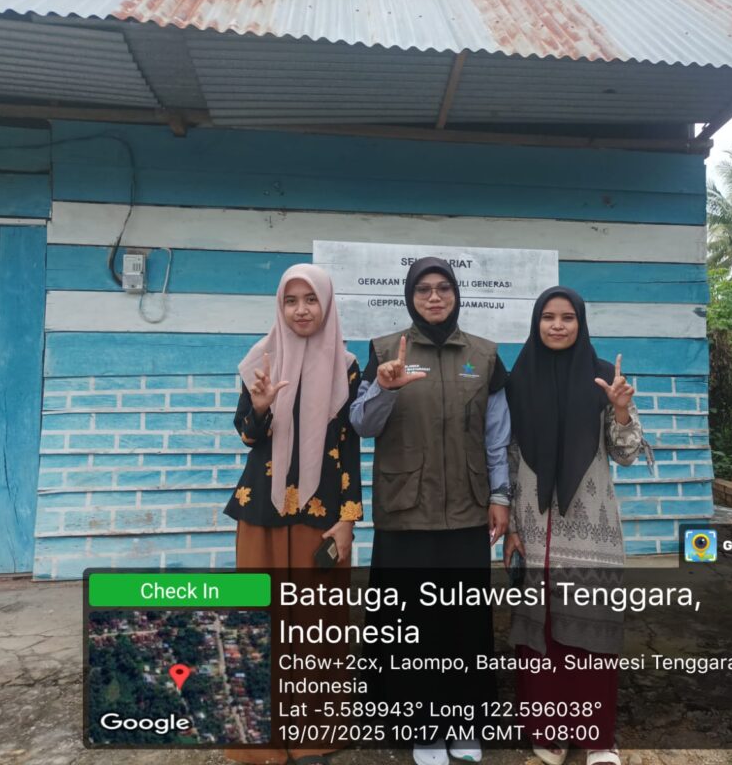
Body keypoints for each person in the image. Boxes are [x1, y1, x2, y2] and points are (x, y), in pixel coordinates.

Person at [350, 257, 511, 765]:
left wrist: (500, 496)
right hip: (406, 508)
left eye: (444, 288)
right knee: (412, 622)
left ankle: (463, 722)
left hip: (467, 507)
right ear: (410, 296)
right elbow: (362, 425)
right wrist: (384, 388)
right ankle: (422, 725)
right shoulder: (383, 351)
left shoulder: (484, 355)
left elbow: (496, 435)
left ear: (457, 294)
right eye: (424, 289)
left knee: (463, 622)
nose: (435, 297)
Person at [504, 286, 653, 765]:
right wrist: (510, 524)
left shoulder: (604, 377)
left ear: (580, 323)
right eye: (548, 316)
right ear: (536, 322)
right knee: (540, 631)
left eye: (567, 317)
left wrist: (621, 409)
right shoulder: (517, 380)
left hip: (591, 528)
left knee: (591, 630)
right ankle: (549, 729)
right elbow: (506, 455)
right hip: (533, 525)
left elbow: (626, 454)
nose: (557, 325)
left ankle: (598, 736)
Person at [223, 263, 362, 765]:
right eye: (291, 300)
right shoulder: (261, 358)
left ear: (327, 304)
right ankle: (260, 742)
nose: (301, 310)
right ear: (280, 306)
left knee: (316, 625)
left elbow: (349, 447)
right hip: (261, 509)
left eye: (311, 299)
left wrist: (348, 520)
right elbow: (247, 435)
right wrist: (260, 407)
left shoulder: (347, 366)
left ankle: (313, 737)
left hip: (320, 515)